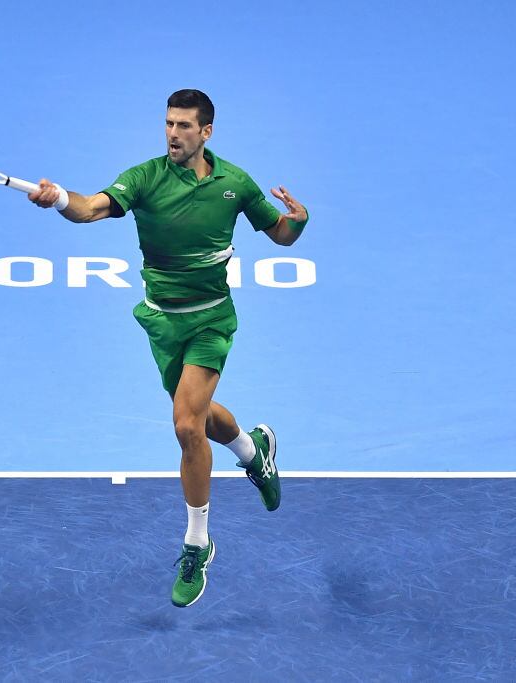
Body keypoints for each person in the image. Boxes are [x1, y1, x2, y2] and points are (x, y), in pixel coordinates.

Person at [28, 89, 309, 608]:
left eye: (183, 126)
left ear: (206, 132)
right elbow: (91, 209)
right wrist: (59, 199)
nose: (172, 133)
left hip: (211, 321)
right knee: (198, 416)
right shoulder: (144, 177)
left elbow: (280, 234)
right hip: (163, 322)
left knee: (185, 425)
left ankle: (197, 544)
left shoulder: (234, 184)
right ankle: (254, 451)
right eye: (167, 124)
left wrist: (299, 219)